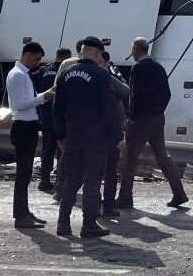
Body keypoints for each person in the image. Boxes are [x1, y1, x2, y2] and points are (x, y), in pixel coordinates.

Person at [53, 36, 125, 238]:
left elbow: (57, 108)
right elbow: (109, 109)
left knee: (71, 181)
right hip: (96, 139)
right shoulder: (100, 74)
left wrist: (60, 135)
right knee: (92, 182)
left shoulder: (66, 73)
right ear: (96, 53)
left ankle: (63, 224)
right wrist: (118, 136)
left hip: (73, 137)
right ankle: (89, 225)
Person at [116, 37, 188, 209]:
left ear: (136, 50)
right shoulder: (159, 67)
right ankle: (179, 193)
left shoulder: (138, 68)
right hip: (157, 118)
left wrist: (131, 119)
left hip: (141, 120)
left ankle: (125, 197)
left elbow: (135, 95)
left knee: (130, 158)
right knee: (162, 156)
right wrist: (158, 111)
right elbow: (167, 94)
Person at [6, 42, 55, 229]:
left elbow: (28, 100)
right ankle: (20, 216)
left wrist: (45, 94)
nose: (37, 64)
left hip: (29, 126)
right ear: (27, 54)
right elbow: (20, 104)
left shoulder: (23, 74)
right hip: (23, 127)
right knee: (23, 175)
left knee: (26, 175)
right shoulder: (18, 75)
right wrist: (44, 98)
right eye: (36, 59)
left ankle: (24, 212)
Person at [51, 38, 84, 201]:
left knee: (65, 153)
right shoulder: (93, 65)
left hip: (67, 115)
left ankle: (60, 187)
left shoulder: (66, 64)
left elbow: (56, 88)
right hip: (85, 119)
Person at [35, 47, 71, 192]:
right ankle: (59, 182)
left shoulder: (43, 71)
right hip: (61, 118)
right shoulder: (66, 72)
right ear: (67, 58)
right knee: (62, 151)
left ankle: (44, 180)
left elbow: (37, 91)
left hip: (46, 117)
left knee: (47, 151)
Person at [99, 50, 129, 217]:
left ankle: (100, 205)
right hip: (108, 130)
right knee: (107, 169)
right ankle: (106, 204)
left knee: (102, 169)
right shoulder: (105, 77)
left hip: (99, 131)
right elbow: (125, 91)